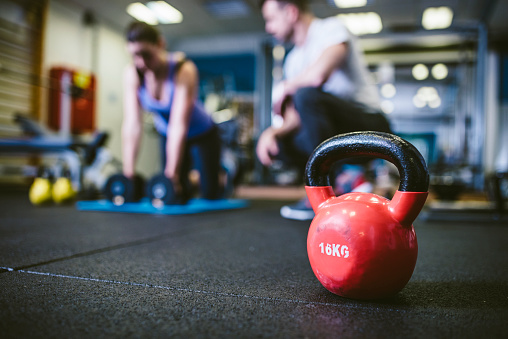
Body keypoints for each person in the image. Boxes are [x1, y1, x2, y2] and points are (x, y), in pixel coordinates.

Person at [256, 0, 392, 220]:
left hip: (369, 128)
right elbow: (295, 117)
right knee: (279, 142)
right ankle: (335, 183)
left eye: (271, 19)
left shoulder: (331, 28)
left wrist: (286, 87)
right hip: (330, 131)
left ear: (291, 12)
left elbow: (318, 77)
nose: (268, 27)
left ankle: (329, 188)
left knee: (306, 95)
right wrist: (273, 132)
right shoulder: (293, 60)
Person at [123, 21, 221, 202]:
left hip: (203, 133)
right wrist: (128, 176)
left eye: (146, 54)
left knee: (209, 192)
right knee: (177, 195)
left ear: (160, 44)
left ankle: (217, 184)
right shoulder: (133, 74)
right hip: (167, 133)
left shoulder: (183, 69)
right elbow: (132, 125)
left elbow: (179, 124)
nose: (141, 62)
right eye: (135, 56)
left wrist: (171, 176)